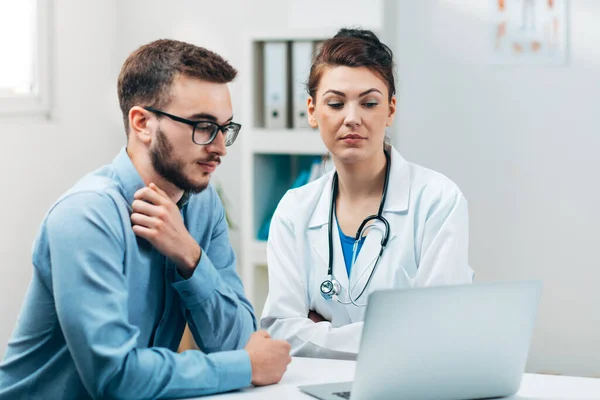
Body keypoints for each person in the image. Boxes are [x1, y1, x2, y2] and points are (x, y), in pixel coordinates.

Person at [0, 39, 291, 400]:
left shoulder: (203, 203)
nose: (220, 147)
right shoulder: (85, 215)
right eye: (203, 126)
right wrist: (246, 366)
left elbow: (236, 341)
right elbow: (116, 378)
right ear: (142, 123)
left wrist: (190, 255)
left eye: (225, 128)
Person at [260, 28, 474, 360]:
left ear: (390, 109)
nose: (352, 118)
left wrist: (319, 331)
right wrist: (391, 334)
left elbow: (436, 329)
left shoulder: (437, 201)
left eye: (369, 103)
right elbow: (281, 330)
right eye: (335, 103)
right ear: (312, 111)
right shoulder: (294, 210)